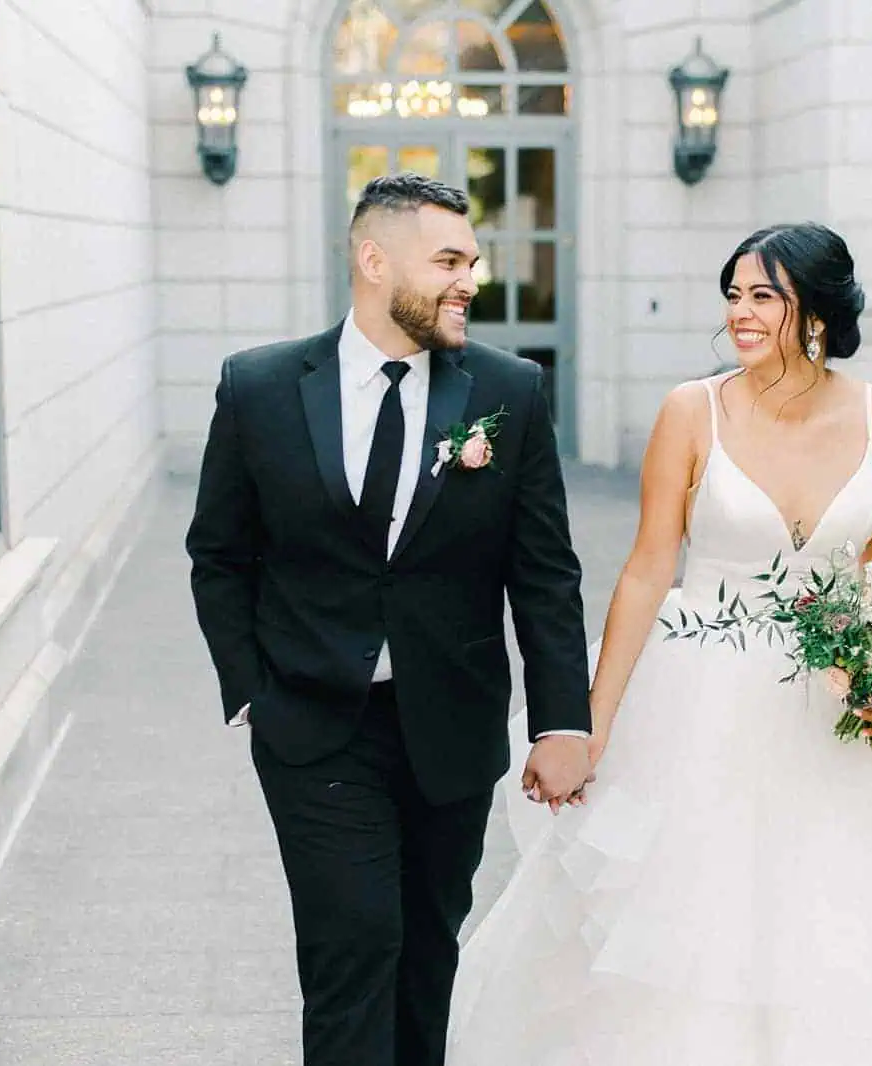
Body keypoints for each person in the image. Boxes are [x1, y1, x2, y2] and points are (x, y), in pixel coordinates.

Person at [447, 222, 872, 1065]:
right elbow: (647, 571)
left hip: (834, 719)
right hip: (697, 707)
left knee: (842, 926)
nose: (740, 314)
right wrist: (590, 723)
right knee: (690, 931)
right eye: (734, 295)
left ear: (818, 311)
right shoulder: (693, 410)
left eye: (764, 296)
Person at [184, 173, 593, 1066]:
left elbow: (545, 574)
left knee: (425, 953)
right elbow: (218, 553)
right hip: (314, 727)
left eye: (474, 262)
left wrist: (562, 720)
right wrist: (252, 689)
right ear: (374, 261)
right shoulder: (257, 387)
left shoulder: (508, 391)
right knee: (353, 946)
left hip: (451, 725)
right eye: (448, 260)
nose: (470, 281)